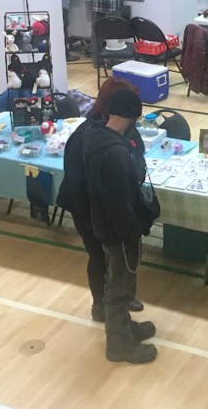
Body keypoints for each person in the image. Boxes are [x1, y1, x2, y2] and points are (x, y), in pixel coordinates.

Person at [55, 88, 158, 364]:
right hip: (119, 233)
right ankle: (119, 344)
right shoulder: (116, 154)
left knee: (116, 282)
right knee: (119, 288)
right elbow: (120, 203)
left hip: (104, 226)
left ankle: (123, 327)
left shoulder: (94, 136)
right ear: (130, 118)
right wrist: (133, 230)